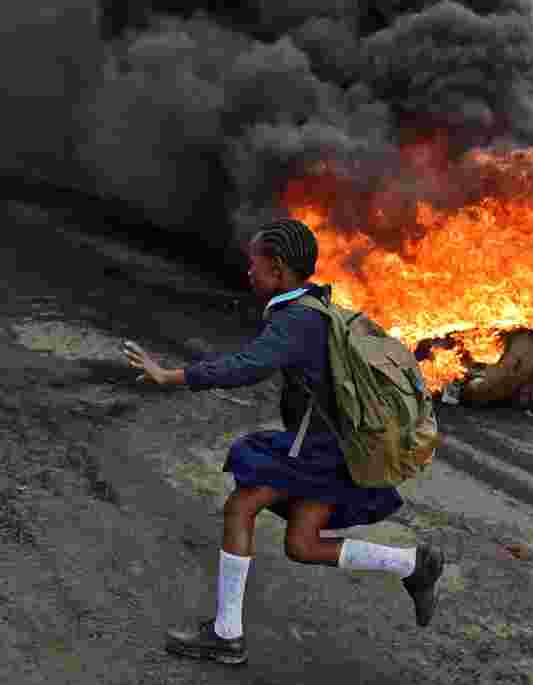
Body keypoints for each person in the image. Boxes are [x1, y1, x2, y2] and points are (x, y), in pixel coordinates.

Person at [122, 218, 445, 666]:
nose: (248, 273)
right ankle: (413, 565)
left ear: (277, 269)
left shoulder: (295, 320)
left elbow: (246, 366)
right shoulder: (316, 303)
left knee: (242, 504)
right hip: (335, 448)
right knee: (303, 544)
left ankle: (226, 635)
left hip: (318, 450)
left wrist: (170, 375)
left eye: (253, 265)